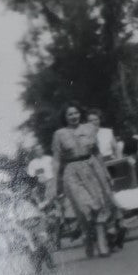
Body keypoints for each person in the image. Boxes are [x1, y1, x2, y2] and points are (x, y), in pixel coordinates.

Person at [51, 104, 120, 258]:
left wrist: (105, 172)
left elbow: (97, 152)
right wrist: (56, 182)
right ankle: (88, 238)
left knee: (98, 206)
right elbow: (56, 160)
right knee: (84, 208)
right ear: (65, 117)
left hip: (92, 168)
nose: (74, 116)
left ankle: (102, 244)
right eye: (70, 114)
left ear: (80, 114)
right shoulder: (59, 134)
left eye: (76, 113)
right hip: (72, 172)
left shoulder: (90, 128)